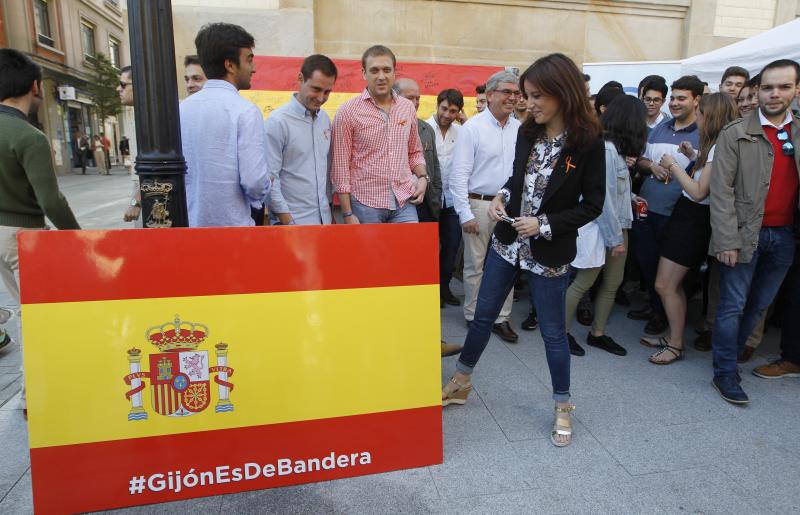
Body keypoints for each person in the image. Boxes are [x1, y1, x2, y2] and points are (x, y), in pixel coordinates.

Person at [442, 53, 605, 448]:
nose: (527, 104)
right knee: (482, 317)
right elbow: (518, 178)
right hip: (508, 242)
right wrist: (501, 196)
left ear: (562, 93)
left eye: (536, 96)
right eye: (526, 96)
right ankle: (461, 381)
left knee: (552, 333)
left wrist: (545, 224)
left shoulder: (588, 142)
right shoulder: (528, 132)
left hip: (548, 252)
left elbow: (592, 204)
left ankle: (563, 406)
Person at [708, 59, 800, 405]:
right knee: (732, 305)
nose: (775, 94)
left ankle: (729, 356)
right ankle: (725, 371)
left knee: (759, 306)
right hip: (745, 234)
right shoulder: (735, 132)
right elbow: (722, 192)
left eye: (784, 87)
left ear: (796, 90)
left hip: (785, 236)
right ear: (757, 91)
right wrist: (727, 239)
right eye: (768, 87)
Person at [0, 48, 81, 415]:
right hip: (22, 236)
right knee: (35, 316)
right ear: (34, 86)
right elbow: (51, 200)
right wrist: (76, 237)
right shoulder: (28, 137)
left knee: (20, 309)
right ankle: (34, 394)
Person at [639, 93, 737, 364]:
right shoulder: (715, 145)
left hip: (693, 220)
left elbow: (697, 191)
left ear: (712, 116)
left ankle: (675, 344)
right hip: (689, 219)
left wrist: (673, 165)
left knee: (664, 285)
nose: (699, 118)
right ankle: (675, 338)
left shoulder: (719, 146)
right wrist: (692, 155)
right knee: (671, 284)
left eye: (702, 113)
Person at [565, 95, 646, 357]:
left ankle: (597, 333)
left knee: (612, 282)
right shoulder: (608, 151)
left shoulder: (613, 150)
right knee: (584, 282)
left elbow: (615, 193)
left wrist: (632, 197)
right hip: (603, 228)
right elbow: (604, 201)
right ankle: (561, 334)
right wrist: (615, 239)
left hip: (615, 226)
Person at [449, 70, 521, 343]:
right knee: (476, 264)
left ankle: (501, 318)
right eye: (507, 92)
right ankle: (473, 315)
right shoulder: (473, 128)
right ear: (489, 95)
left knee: (507, 263)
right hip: (478, 204)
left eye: (516, 93)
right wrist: (464, 213)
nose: (512, 98)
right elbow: (458, 175)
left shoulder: (521, 129)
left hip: (510, 208)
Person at [628, 75, 703, 335]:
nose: (674, 103)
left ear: (697, 100)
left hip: (678, 214)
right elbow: (640, 161)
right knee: (647, 262)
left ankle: (664, 316)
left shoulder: (703, 133)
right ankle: (654, 307)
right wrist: (653, 166)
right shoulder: (660, 128)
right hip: (648, 209)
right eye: (672, 97)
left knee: (670, 273)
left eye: (681, 98)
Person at [180, 23, 270, 227]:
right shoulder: (244, 111)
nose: (253, 68)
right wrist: (266, 185)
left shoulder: (181, 110)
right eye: (249, 60)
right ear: (230, 65)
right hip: (234, 231)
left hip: (190, 228)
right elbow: (254, 181)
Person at [331, 45, 427, 225]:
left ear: (394, 73)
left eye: (386, 70)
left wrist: (423, 178)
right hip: (365, 205)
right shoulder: (348, 112)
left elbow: (414, 152)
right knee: (371, 254)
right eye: (374, 70)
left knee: (408, 253)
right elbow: (340, 167)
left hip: (404, 201)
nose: (381, 76)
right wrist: (347, 214)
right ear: (363, 73)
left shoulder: (407, 108)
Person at [266, 54, 337, 226]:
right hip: (292, 223)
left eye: (327, 92)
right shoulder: (278, 121)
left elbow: (325, 171)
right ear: (300, 78)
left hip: (323, 221)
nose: (321, 98)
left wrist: (330, 214)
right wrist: (287, 222)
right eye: (316, 89)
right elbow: (269, 178)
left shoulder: (324, 119)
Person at [427, 89, 464, 307]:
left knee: (451, 245)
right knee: (429, 248)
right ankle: (429, 289)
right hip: (427, 199)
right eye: (444, 108)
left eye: (453, 111)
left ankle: (444, 287)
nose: (447, 114)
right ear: (437, 104)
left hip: (451, 199)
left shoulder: (461, 132)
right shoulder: (423, 128)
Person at [394, 78, 443, 223]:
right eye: (410, 98)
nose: (415, 103)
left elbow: (435, 167)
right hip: (397, 202)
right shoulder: (387, 127)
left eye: (418, 98)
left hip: (425, 201)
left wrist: (436, 197)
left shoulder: (426, 129)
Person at [117, 66, 142, 223]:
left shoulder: (150, 119)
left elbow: (155, 166)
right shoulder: (137, 115)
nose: (118, 88)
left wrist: (136, 201)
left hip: (149, 194)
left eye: (123, 84)